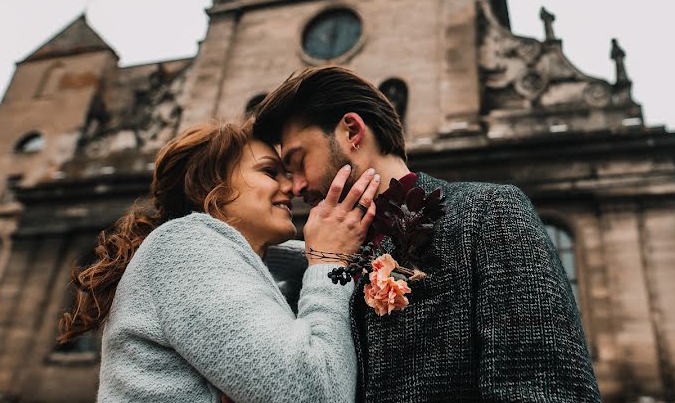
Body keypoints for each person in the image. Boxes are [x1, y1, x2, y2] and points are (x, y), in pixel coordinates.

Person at [253, 67, 601, 403]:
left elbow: (544, 390)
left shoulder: (488, 211)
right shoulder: (315, 264)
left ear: (351, 132)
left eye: (299, 161)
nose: (295, 187)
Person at [57, 120, 379, 403]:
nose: (291, 188)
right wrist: (329, 261)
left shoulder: (236, 262)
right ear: (211, 186)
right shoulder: (184, 247)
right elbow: (316, 394)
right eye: (269, 171)